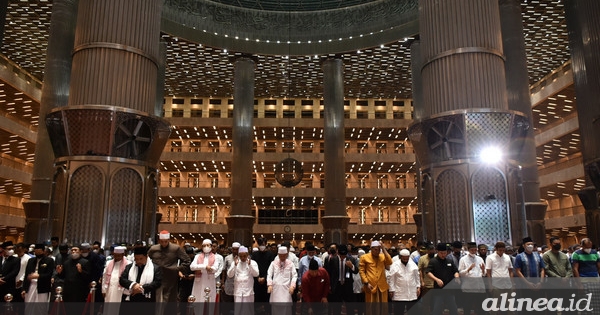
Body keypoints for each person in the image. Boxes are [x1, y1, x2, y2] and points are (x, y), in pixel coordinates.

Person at [147, 230, 191, 305]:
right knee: (157, 299)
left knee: (170, 300)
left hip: (171, 278)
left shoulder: (176, 248)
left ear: (169, 240)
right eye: (161, 241)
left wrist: (177, 269)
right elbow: (146, 260)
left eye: (165, 241)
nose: (164, 243)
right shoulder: (153, 249)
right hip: (156, 277)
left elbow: (187, 260)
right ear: (159, 240)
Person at [359, 241, 392, 315]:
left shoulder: (383, 256)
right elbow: (362, 271)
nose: (377, 252)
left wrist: (383, 249)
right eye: (375, 249)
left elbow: (390, 262)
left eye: (379, 249)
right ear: (371, 249)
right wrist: (366, 283)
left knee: (383, 307)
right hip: (370, 285)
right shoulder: (364, 257)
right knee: (370, 306)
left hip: (382, 286)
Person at [426, 243, 460, 315]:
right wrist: (436, 279)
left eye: (445, 253)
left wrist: (457, 277)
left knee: (453, 308)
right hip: (438, 289)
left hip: (450, 289)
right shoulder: (433, 261)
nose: (443, 255)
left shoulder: (449, 261)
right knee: (437, 309)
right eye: (441, 253)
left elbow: (455, 271)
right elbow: (428, 272)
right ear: (437, 252)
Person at [21, 244, 54, 315]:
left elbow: (49, 274)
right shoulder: (31, 260)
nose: (37, 253)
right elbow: (27, 275)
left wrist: (39, 276)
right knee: (28, 306)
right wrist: (24, 289)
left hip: (42, 287)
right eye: (36, 252)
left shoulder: (49, 260)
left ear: (43, 251)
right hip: (30, 286)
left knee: (40, 307)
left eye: (39, 252)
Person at [227, 246, 259, 315]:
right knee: (238, 311)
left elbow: (256, 274)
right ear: (238, 256)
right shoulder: (235, 263)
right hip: (238, 291)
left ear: (247, 255)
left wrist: (250, 265)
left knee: (249, 311)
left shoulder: (253, 263)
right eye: (241, 256)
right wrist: (234, 266)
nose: (242, 258)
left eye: (244, 256)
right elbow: (230, 275)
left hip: (248, 292)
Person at [572, 238, 600, 313]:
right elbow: (575, 269)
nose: (588, 249)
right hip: (584, 281)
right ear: (582, 246)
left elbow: (598, 267)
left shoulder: (594, 253)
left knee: (596, 304)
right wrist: (579, 284)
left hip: (595, 281)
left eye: (589, 247)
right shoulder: (576, 254)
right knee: (585, 304)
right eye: (586, 247)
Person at [388, 249, 420, 314]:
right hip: (399, 293)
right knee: (399, 312)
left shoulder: (412, 264)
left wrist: (418, 287)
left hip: (411, 292)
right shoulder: (395, 265)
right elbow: (391, 278)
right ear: (401, 257)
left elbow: (417, 276)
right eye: (404, 259)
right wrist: (391, 290)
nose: (405, 260)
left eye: (407, 258)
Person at [267, 246, 297, 315]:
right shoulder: (273, 263)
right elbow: (269, 274)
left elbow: (294, 275)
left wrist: (292, 286)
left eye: (284, 255)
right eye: (281, 256)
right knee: (275, 310)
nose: (282, 257)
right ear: (278, 255)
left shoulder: (291, 264)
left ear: (287, 255)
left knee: (286, 310)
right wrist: (269, 285)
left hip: (286, 290)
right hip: (275, 290)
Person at [485, 241, 513, 315]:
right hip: (496, 284)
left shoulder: (507, 257)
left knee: (510, 305)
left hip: (508, 284)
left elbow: (510, 271)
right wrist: (490, 285)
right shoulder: (490, 257)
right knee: (495, 305)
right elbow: (488, 273)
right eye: (500, 250)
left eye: (503, 250)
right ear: (496, 249)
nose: (501, 252)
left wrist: (513, 283)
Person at [458, 242, 486, 315]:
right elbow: (460, 273)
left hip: (479, 286)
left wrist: (483, 269)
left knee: (481, 307)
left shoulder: (480, 259)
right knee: (467, 307)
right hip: (468, 286)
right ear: (468, 250)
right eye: (472, 250)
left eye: (475, 250)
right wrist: (468, 269)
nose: (474, 251)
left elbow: (484, 273)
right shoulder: (463, 259)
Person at [102, 246, 130, 315]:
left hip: (120, 290)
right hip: (109, 289)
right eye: (115, 255)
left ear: (123, 255)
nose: (117, 257)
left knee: (118, 309)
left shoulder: (128, 264)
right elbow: (104, 276)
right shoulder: (109, 263)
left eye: (119, 255)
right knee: (108, 308)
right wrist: (103, 290)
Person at [251, 237, 275, 303]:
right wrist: (258, 277)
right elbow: (252, 267)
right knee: (257, 299)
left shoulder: (270, 254)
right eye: (261, 245)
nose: (262, 246)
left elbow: (271, 268)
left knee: (267, 299)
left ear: (266, 244)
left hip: (267, 280)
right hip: (257, 280)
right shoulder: (254, 255)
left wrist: (265, 277)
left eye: (263, 245)